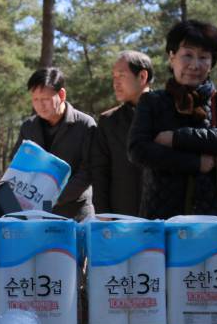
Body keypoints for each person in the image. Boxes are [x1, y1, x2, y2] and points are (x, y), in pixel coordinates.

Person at [128, 19, 217, 219]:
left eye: (203, 57)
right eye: (187, 55)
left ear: (211, 63)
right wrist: (195, 162)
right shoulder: (152, 101)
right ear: (172, 57)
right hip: (161, 214)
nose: (195, 64)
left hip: (210, 214)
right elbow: (137, 149)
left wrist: (176, 138)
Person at [13, 67, 95, 221]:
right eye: (35, 99)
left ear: (62, 94)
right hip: (35, 215)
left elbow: (88, 171)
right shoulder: (29, 127)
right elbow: (18, 165)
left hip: (74, 213)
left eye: (45, 99)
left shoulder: (85, 125)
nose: (40, 105)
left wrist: (52, 196)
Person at [89, 51, 152, 216]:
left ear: (142, 76)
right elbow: (100, 172)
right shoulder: (108, 121)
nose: (115, 83)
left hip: (164, 218)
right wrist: (103, 214)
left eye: (121, 76)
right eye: (114, 77)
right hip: (121, 217)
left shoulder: (168, 113)